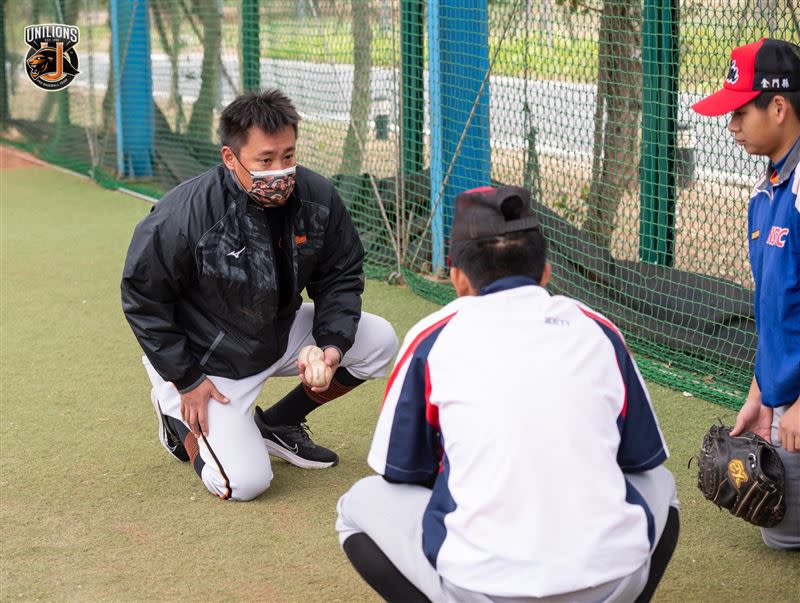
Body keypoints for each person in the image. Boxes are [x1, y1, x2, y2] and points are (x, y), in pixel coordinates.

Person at [336, 186, 680, 602]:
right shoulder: (597, 329)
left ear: (458, 279)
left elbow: (401, 472)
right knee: (660, 483)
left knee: (358, 506)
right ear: (547, 272)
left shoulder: (433, 337)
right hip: (610, 583)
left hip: (481, 588)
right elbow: (640, 459)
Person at [121, 89, 398, 501]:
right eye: (265, 160)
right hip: (208, 360)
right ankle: (174, 410)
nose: (280, 170)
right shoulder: (184, 215)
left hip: (274, 330)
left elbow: (340, 275)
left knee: (379, 341)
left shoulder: (317, 198)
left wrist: (330, 347)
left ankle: (278, 424)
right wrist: (185, 376)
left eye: (288, 156)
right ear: (231, 158)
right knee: (243, 485)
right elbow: (143, 297)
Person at [692, 38, 800, 550]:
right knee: (777, 534)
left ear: (778, 107)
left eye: (739, 109)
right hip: (783, 399)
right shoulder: (765, 195)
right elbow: (773, 309)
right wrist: (761, 396)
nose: (730, 124)